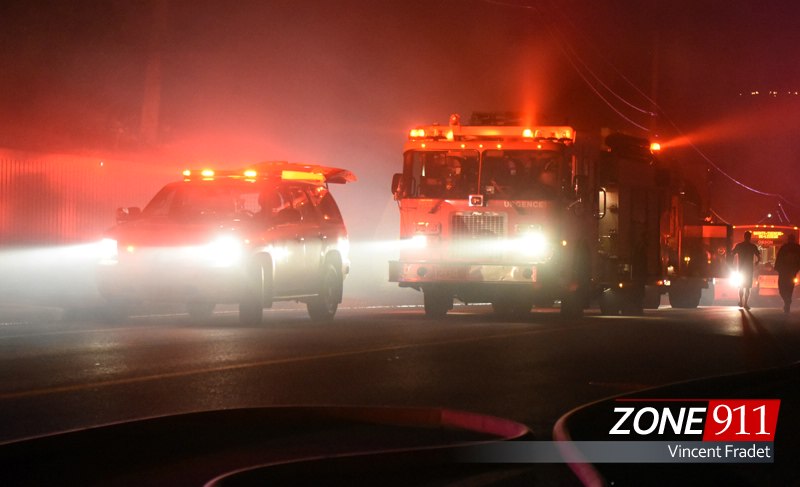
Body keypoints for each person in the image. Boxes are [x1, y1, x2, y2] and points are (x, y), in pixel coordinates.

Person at [730, 231, 761, 309]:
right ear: (750, 237)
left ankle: (741, 301)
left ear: (744, 237)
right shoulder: (752, 246)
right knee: (747, 287)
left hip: (741, 269)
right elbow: (759, 256)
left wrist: (731, 264)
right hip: (749, 269)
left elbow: (732, 253)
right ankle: (745, 303)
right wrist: (757, 262)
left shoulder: (739, 246)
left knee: (741, 286)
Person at [774, 233, 800, 313]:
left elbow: (779, 258)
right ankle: (787, 301)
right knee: (790, 288)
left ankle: (787, 301)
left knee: (782, 288)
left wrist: (777, 268)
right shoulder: (797, 248)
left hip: (784, 272)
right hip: (792, 272)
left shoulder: (784, 247)